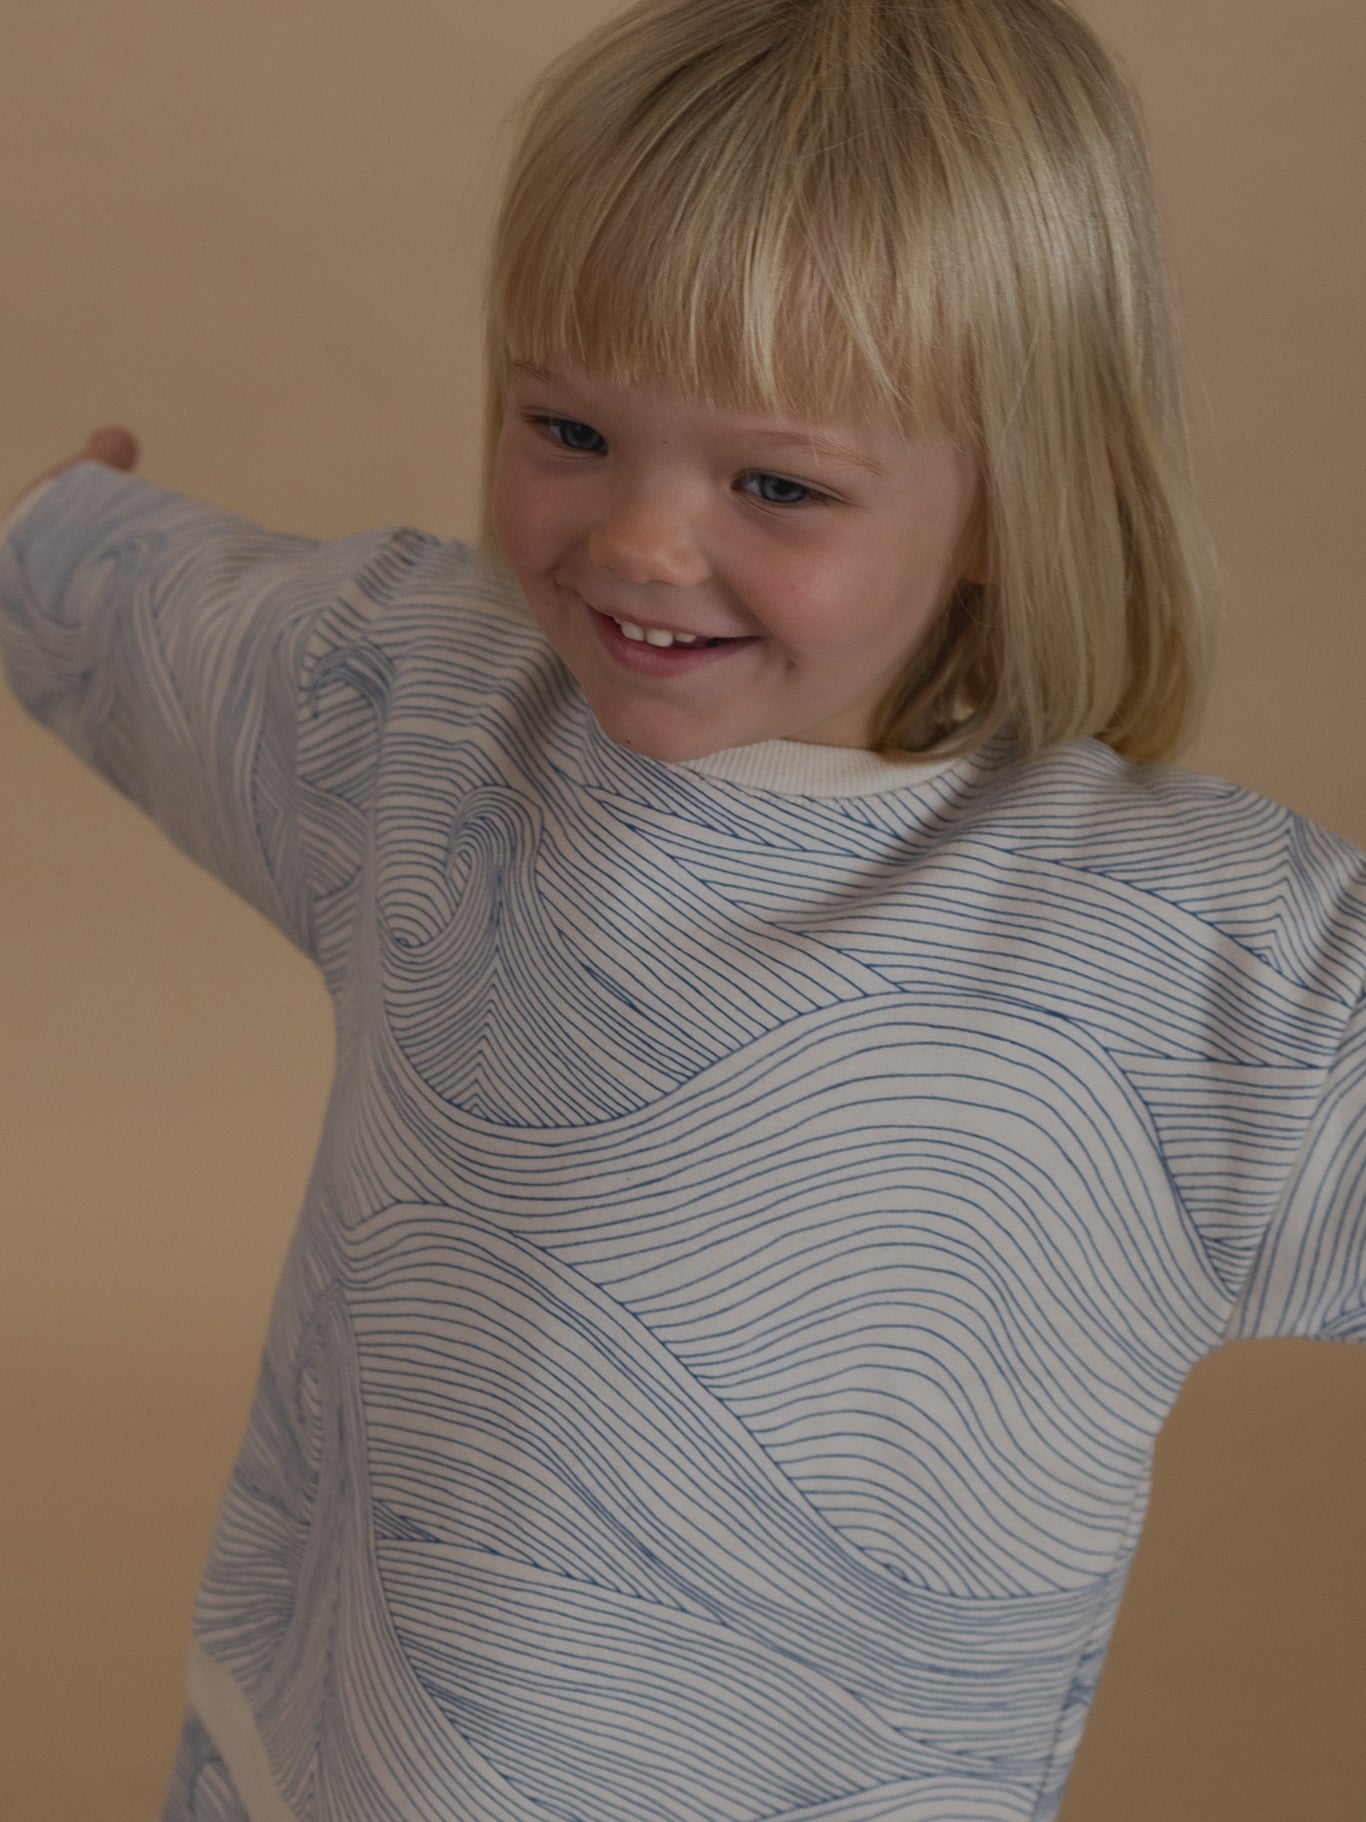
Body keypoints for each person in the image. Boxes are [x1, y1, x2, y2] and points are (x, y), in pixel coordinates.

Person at [2, 0, 1362, 1816]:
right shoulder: (424, 713)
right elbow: (167, 619)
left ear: (1014, 499)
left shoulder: (1171, 966)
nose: (638, 540)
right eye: (565, 424)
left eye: (776, 481)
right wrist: (52, 535)